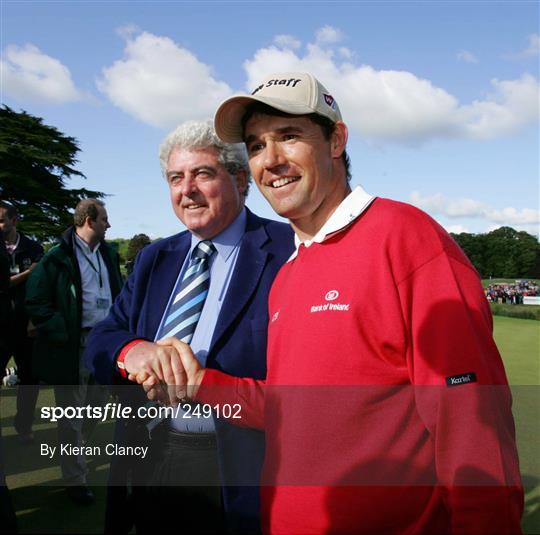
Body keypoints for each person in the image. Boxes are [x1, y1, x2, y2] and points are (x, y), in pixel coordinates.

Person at [137, 73, 524, 534]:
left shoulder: (407, 238)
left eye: (289, 136)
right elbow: (287, 409)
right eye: (257, 145)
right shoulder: (288, 275)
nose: (271, 160)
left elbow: (472, 427)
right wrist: (199, 385)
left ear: (336, 140)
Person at [84, 120, 294, 534]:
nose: (187, 190)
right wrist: (133, 352)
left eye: (202, 173)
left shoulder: (289, 251)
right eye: (175, 178)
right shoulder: (155, 258)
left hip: (238, 467)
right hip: (152, 453)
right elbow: (102, 341)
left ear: (239, 179)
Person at [25, 199, 123, 505]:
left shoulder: (108, 253)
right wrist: (61, 328)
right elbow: (36, 300)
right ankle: (75, 478)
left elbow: (120, 293)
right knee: (72, 414)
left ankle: (76, 448)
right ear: (90, 220)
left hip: (105, 341)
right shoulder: (56, 258)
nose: (109, 224)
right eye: (105, 219)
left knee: (97, 403)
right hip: (73, 343)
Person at [0, 202, 43, 444]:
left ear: (14, 221)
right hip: (1, 326)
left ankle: (23, 424)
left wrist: (34, 319)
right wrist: (28, 273)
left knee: (30, 379)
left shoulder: (33, 248)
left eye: (2, 220)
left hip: (26, 326)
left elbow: (41, 287)